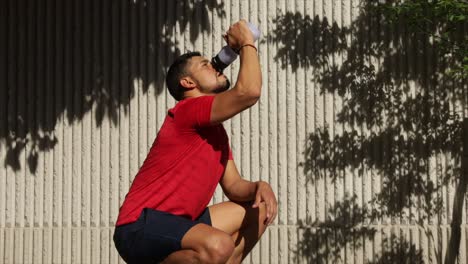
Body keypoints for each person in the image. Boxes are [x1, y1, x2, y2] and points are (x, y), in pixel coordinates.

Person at [113, 20, 277, 264]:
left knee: (258, 210)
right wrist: (246, 43)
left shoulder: (217, 134)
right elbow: (248, 92)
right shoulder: (186, 111)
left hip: (183, 225)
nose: (216, 67)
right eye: (205, 66)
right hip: (140, 226)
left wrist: (258, 186)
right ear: (188, 83)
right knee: (218, 245)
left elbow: (233, 186)